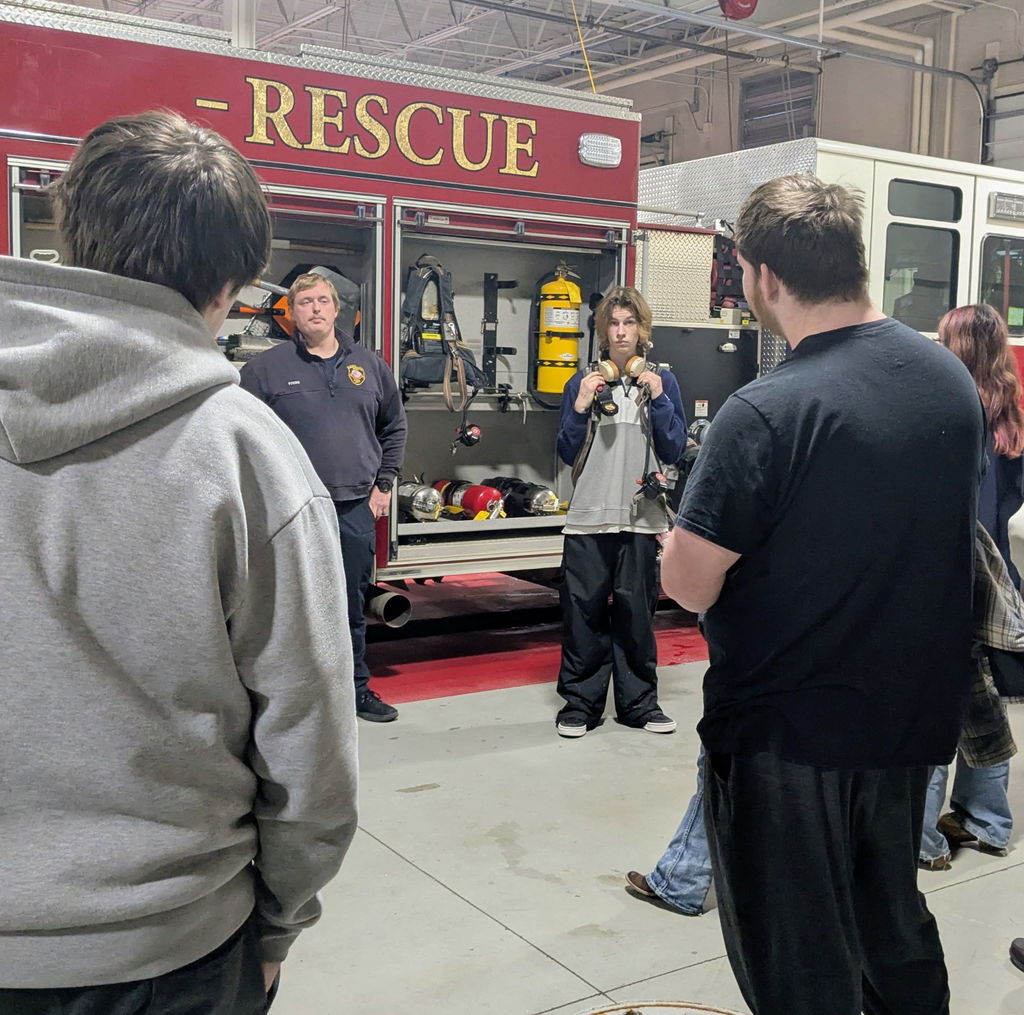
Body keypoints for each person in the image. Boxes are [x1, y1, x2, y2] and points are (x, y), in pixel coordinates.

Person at [0, 111, 358, 1012]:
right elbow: (309, 744)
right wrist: (279, 922)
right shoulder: (249, 457)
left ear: (72, 232)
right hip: (168, 949)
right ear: (233, 286)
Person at [660, 174, 984, 1015]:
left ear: (761, 275)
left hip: (787, 735)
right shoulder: (947, 381)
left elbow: (691, 585)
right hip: (910, 717)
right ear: (856, 259)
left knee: (797, 951)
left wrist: (676, 544)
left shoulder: (766, 412)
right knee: (890, 920)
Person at [241, 272, 407, 723]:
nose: (314, 309)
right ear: (291, 314)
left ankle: (353, 692)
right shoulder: (265, 370)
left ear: (337, 310)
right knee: (288, 605)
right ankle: (290, 700)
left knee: (349, 605)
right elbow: (240, 436)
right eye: (305, 302)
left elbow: (393, 427)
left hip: (354, 506)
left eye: (322, 301)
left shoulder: (369, 365)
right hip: (292, 512)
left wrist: (384, 485)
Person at [918, 304, 1024, 870]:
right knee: (979, 702)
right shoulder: (1007, 416)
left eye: (943, 339)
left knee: (934, 705)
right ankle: (987, 820)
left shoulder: (956, 414)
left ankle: (923, 839)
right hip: (997, 579)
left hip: (956, 577)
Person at [554, 286, 686, 738]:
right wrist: (578, 407)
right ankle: (580, 706)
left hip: (641, 517)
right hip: (589, 515)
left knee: (636, 615)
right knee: (582, 613)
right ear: (603, 331)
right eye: (614, 323)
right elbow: (566, 450)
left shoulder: (662, 383)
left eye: (629, 323)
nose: (621, 331)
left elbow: (673, 447)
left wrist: (662, 399)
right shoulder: (583, 382)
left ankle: (639, 706)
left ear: (642, 330)